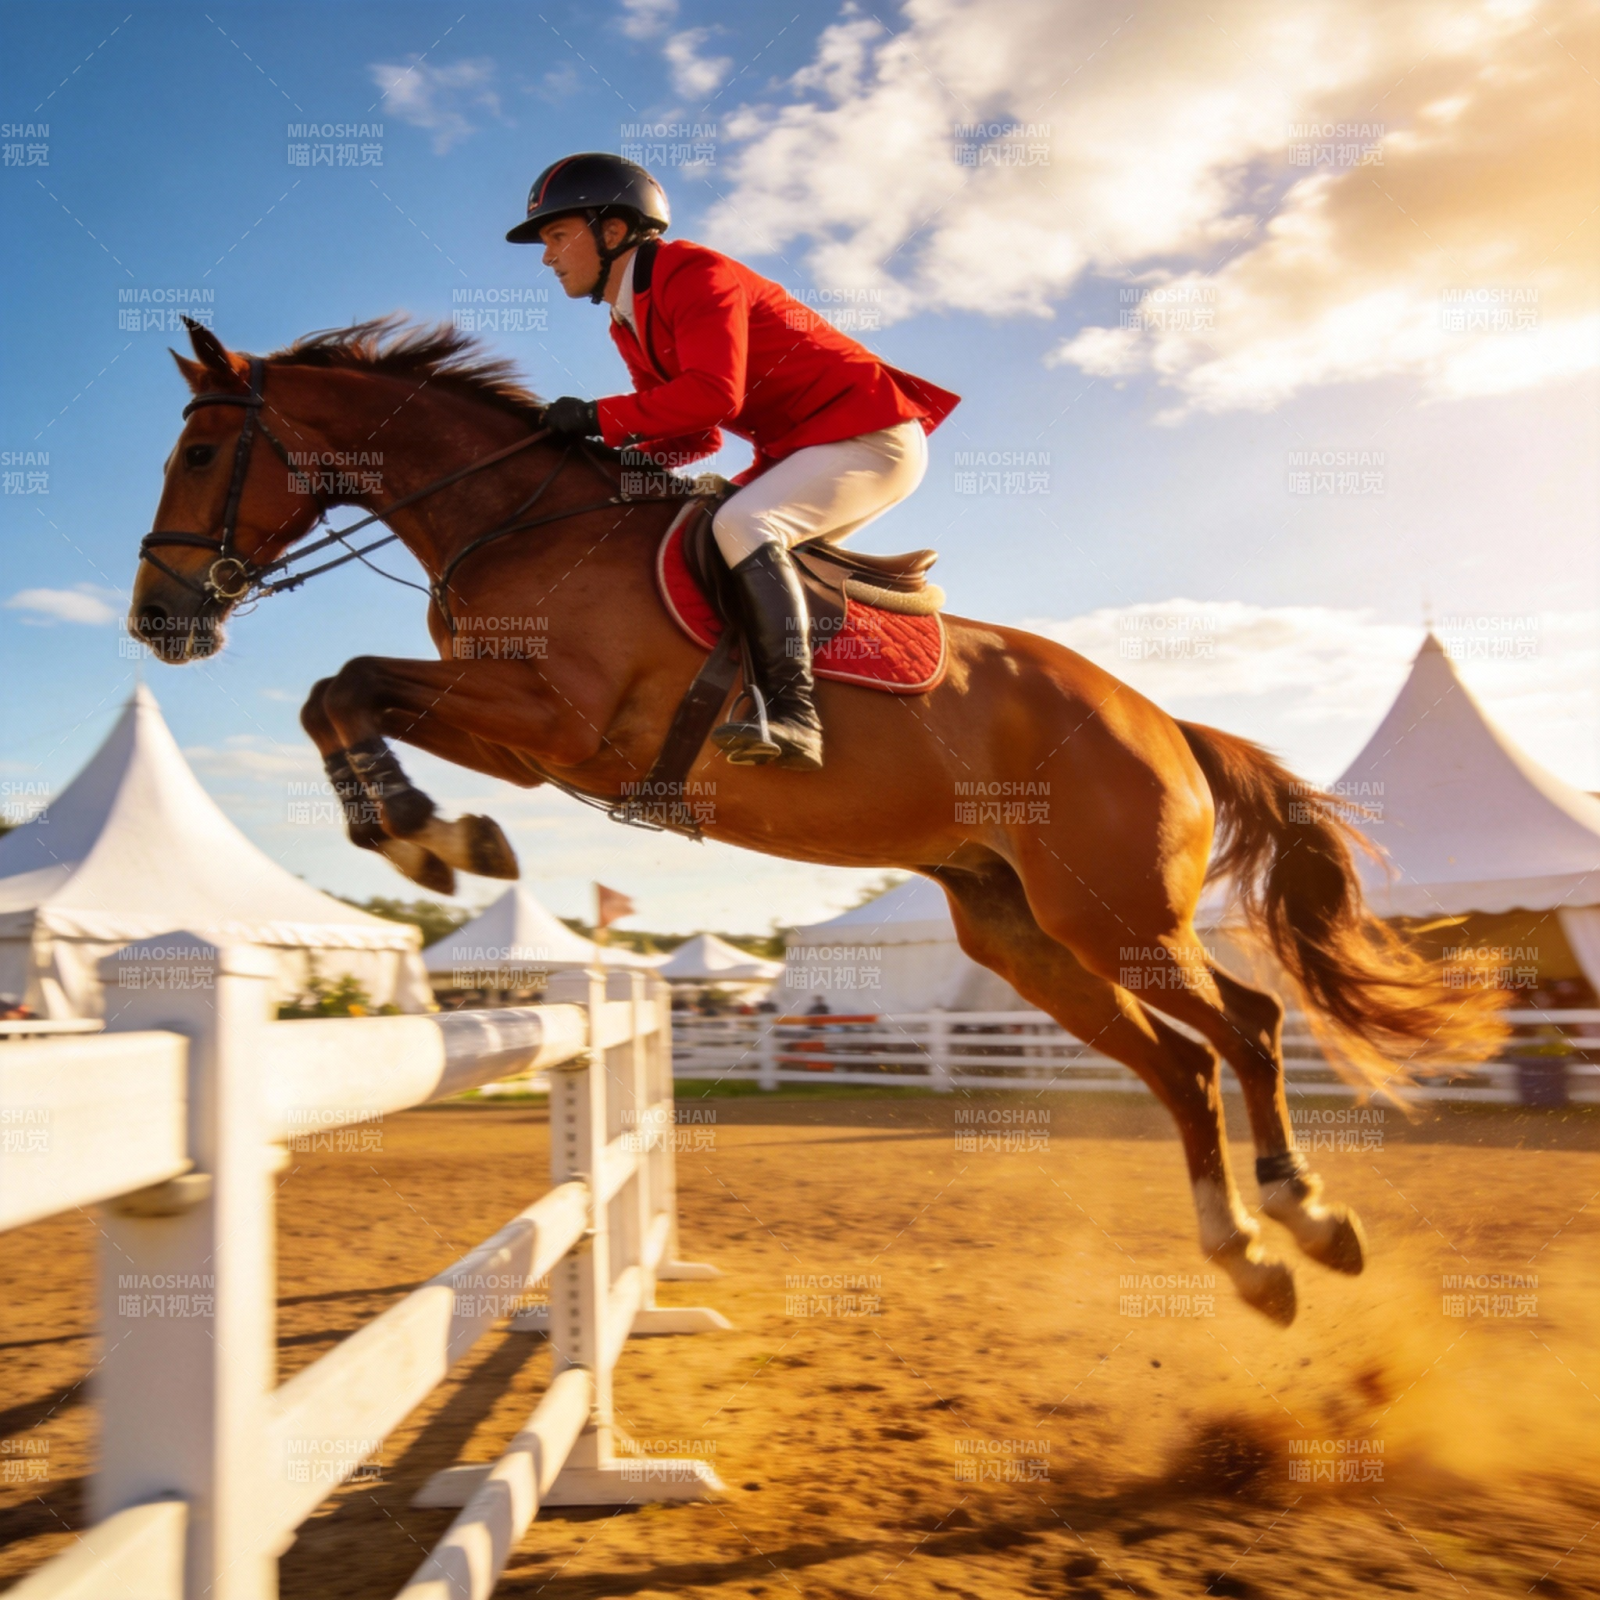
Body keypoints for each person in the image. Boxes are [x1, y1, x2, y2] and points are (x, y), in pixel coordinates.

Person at [507, 152, 960, 771]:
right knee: (696, 525)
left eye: (557, 235)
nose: (547, 256)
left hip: (871, 437)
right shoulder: (625, 321)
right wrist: (604, 457)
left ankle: (793, 714)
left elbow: (716, 394)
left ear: (612, 232)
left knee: (744, 526)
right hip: (809, 448)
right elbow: (699, 434)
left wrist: (595, 418)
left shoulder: (692, 271)